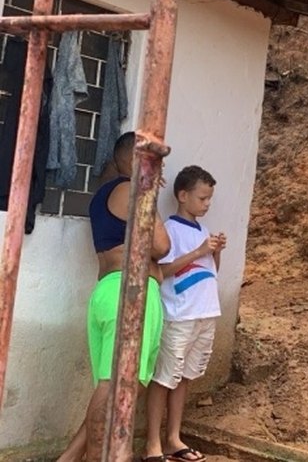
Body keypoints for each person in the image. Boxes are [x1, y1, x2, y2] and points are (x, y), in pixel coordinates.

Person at [57, 132, 171, 462]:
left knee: (116, 386)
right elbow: (162, 245)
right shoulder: (130, 189)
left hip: (113, 290)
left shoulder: (106, 195)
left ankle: (68, 459)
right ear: (134, 161)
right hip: (130, 294)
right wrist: (147, 190)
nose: (159, 171)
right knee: (115, 389)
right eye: (153, 163)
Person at [144, 165, 226, 462]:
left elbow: (211, 272)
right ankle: (153, 444)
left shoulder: (203, 231)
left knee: (185, 378)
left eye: (209, 199)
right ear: (182, 195)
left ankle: (173, 439)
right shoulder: (169, 230)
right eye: (202, 198)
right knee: (164, 378)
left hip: (205, 314)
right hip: (179, 315)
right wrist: (200, 251)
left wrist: (215, 252)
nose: (207, 204)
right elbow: (162, 271)